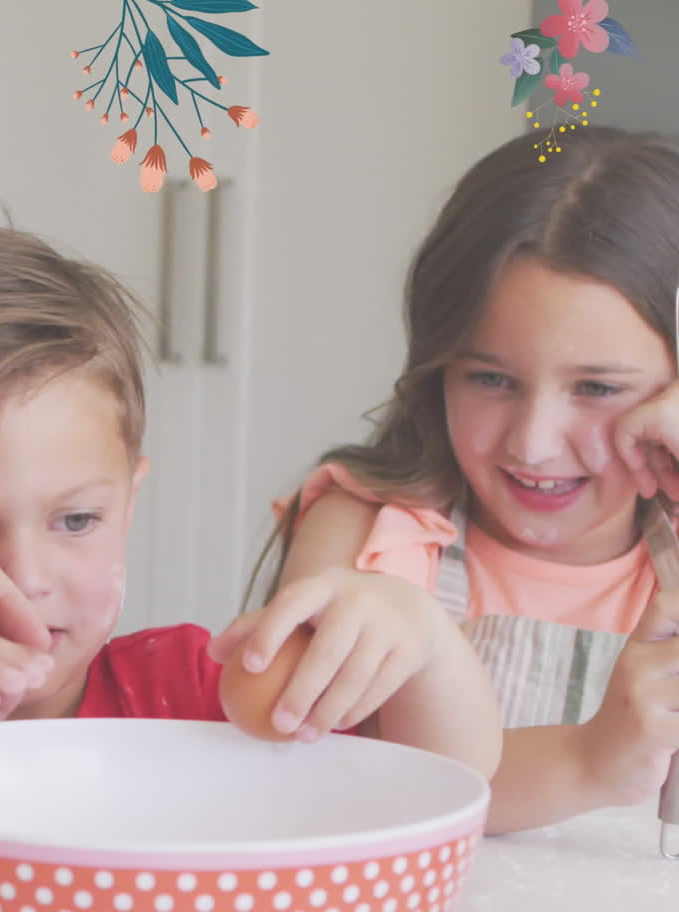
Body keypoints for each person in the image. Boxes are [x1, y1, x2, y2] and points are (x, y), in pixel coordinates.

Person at [245, 126, 679, 834]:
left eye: (598, 388)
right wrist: (589, 760)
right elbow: (340, 788)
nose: (533, 445)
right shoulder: (370, 534)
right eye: (491, 379)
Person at [0, 226, 500, 776]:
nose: (26, 580)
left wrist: (428, 642)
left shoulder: (186, 691)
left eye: (76, 520)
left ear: (127, 505)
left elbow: (443, 781)